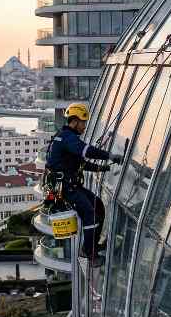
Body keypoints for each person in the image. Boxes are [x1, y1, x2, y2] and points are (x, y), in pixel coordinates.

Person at [45, 102, 124, 262]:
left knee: (98, 206)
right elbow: (87, 151)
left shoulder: (65, 138)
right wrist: (109, 156)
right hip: (66, 188)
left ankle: (92, 246)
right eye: (83, 123)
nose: (84, 127)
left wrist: (102, 169)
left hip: (70, 186)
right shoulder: (68, 138)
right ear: (74, 121)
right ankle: (88, 252)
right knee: (90, 215)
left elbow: (81, 163)